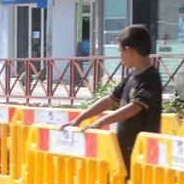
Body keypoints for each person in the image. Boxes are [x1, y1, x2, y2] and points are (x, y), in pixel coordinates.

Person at [63, 24, 162, 165]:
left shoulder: (151, 77)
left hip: (142, 154)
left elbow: (134, 108)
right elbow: (110, 100)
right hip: (125, 149)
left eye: (120, 51)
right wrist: (79, 119)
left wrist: (100, 123)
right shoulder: (133, 76)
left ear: (129, 51)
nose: (120, 56)